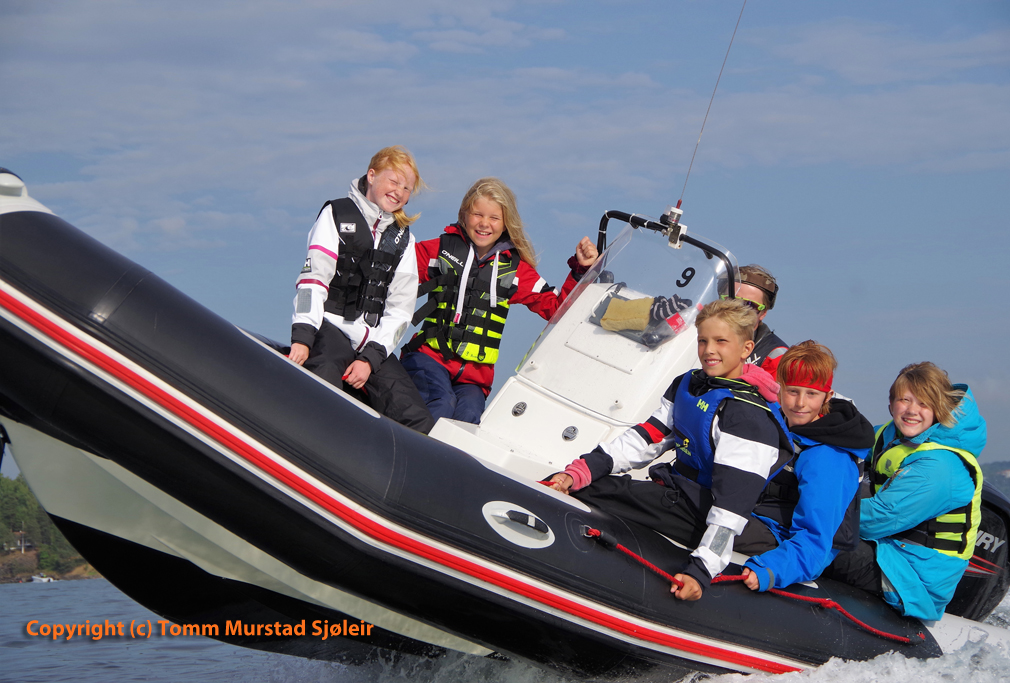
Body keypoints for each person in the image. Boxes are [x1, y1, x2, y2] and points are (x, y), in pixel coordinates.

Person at [547, 298, 792, 601]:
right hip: (681, 491)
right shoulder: (690, 385)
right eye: (702, 340)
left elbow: (732, 508)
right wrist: (582, 470)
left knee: (599, 493)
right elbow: (646, 438)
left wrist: (702, 569)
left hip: (708, 511)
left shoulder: (748, 418)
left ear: (746, 349)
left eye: (721, 341)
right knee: (588, 484)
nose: (709, 350)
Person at [401, 177, 598, 424]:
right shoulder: (439, 250)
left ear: (506, 224)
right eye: (477, 214)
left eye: (494, 218)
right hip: (428, 359)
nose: (484, 223)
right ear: (464, 215)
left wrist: (580, 271)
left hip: (474, 379)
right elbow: (396, 268)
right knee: (442, 402)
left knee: (468, 416)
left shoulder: (515, 271)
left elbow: (556, 308)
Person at [288, 146, 434, 434]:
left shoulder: (404, 239)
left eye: (407, 188)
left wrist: (370, 359)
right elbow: (313, 279)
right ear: (372, 175)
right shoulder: (336, 214)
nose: (399, 191)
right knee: (325, 377)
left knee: (418, 418)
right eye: (394, 181)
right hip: (329, 328)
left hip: (372, 344)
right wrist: (303, 336)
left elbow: (401, 310)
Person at [824, 362, 985, 620]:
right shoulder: (889, 437)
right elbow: (841, 444)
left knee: (811, 538)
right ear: (891, 404)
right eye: (905, 400)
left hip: (911, 580)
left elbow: (878, 519)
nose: (912, 410)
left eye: (924, 403)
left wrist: (808, 507)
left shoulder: (941, 466)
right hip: (888, 551)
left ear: (939, 409)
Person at [735, 341, 874, 593]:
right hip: (760, 520)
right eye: (793, 391)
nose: (800, 403)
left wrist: (771, 570)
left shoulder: (827, 456)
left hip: (785, 542)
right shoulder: (780, 428)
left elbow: (815, 539)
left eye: (811, 394)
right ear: (779, 390)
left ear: (827, 397)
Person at [726, 264, 787, 377]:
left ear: (763, 313)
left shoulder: (776, 355)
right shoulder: (699, 333)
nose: (737, 309)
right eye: (731, 299)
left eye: (750, 305)